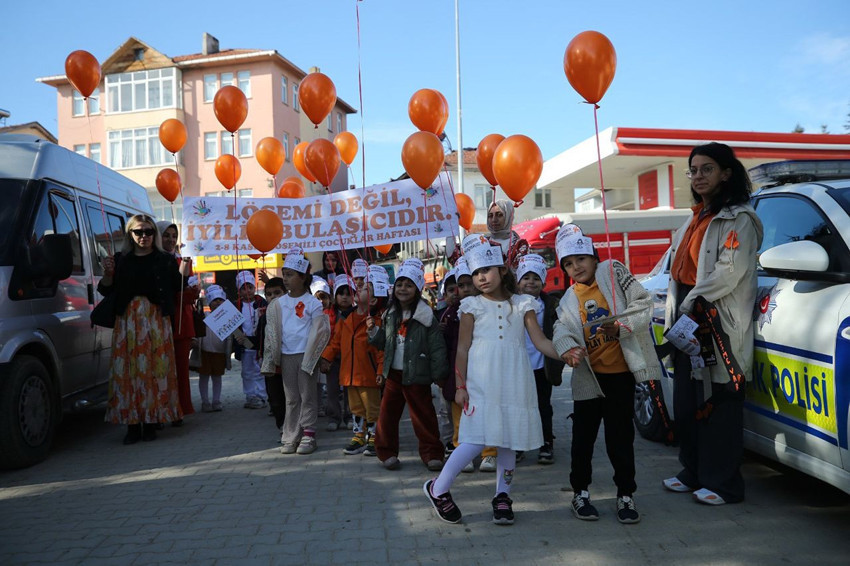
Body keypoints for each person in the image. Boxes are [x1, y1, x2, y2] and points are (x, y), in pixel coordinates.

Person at [424, 236, 562, 525]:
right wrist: (460, 386)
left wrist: (565, 353)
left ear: (502, 271)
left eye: (486, 270)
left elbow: (540, 342)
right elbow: (461, 350)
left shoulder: (523, 304)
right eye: (475, 273)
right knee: (475, 438)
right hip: (480, 381)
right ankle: (438, 488)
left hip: (514, 379)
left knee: (508, 440)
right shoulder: (471, 306)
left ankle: (502, 496)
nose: (481, 277)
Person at [661, 142, 763, 505]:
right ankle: (693, 471)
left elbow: (728, 272)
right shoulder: (696, 215)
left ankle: (724, 484)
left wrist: (691, 302)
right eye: (694, 170)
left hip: (717, 319)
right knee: (688, 400)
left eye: (707, 169)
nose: (699, 176)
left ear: (726, 173)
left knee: (720, 401)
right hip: (688, 316)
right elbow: (677, 268)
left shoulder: (739, 219)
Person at [552, 226, 659, 524]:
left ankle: (626, 494)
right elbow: (561, 329)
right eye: (569, 263)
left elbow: (643, 303)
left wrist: (622, 327)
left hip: (621, 378)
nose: (576, 267)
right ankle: (580, 493)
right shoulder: (567, 299)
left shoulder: (612, 270)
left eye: (581, 259)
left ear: (593, 256)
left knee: (620, 440)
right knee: (582, 441)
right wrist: (568, 349)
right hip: (589, 381)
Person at [99, 214, 189, 444]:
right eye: (138, 232)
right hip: (127, 321)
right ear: (130, 234)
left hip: (156, 320)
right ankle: (131, 424)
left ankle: (151, 422)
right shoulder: (120, 259)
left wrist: (186, 266)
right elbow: (106, 290)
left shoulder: (164, 259)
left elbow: (177, 286)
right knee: (128, 372)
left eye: (149, 232)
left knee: (155, 369)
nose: (144, 236)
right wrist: (108, 274)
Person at [367, 258, 448, 471]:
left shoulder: (425, 315)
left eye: (409, 285)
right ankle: (386, 452)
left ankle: (432, 453)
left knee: (424, 417)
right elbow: (383, 342)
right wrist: (373, 331)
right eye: (400, 284)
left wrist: (439, 373)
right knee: (386, 417)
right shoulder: (390, 314)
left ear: (418, 288)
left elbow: (437, 347)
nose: (403, 289)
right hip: (393, 375)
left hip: (417, 375)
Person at [261, 248, 329, 455]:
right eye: (285, 275)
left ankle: (308, 434)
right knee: (291, 397)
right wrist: (271, 359)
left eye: (290, 275)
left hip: (306, 355)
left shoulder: (313, 303)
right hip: (287, 355)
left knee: (307, 395)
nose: (286, 279)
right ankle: (291, 436)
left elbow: (320, 331)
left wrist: (316, 356)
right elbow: (270, 333)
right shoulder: (278, 304)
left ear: (303, 277)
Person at [320, 276, 388, 456]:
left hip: (368, 375)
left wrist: (380, 371)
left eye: (365, 288)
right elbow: (335, 343)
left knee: (372, 408)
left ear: (373, 300)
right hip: (349, 375)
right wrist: (326, 358)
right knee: (356, 408)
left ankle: (374, 437)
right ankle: (359, 436)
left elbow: (380, 351)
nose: (358, 288)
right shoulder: (347, 319)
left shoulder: (375, 321)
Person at [516, 254, 566, 465]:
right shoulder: (511, 304)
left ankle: (546, 443)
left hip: (542, 366)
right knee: (518, 407)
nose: (531, 282)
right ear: (518, 281)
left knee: (543, 405)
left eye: (535, 278)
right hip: (517, 366)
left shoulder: (551, 305)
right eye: (526, 277)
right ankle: (517, 445)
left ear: (543, 282)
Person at [156, 220, 198, 425]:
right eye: (166, 235)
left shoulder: (182, 260)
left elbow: (186, 291)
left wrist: (192, 292)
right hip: (161, 320)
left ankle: (180, 409)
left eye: (174, 236)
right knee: (161, 369)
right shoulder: (154, 260)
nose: (171, 240)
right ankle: (163, 409)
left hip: (182, 322)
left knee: (181, 369)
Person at [439, 257, 477, 473]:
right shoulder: (448, 315)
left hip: (481, 371)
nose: (461, 291)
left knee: (482, 413)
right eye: (457, 287)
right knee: (459, 416)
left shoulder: (485, 307)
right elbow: (447, 347)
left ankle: (489, 452)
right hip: (458, 374)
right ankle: (460, 450)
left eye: (466, 285)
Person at [324, 275, 356, 431]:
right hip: (332, 359)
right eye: (341, 293)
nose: (344, 297)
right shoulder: (327, 315)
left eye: (348, 293)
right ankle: (334, 417)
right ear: (335, 296)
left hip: (351, 359)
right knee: (332, 390)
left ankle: (350, 416)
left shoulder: (357, 314)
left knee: (350, 390)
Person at [234, 270, 268, 409]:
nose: (247, 291)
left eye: (250, 287)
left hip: (259, 341)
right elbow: (232, 325)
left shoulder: (262, 302)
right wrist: (238, 335)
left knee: (261, 370)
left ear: (255, 287)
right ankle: (250, 395)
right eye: (243, 288)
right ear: (239, 290)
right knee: (247, 371)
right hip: (245, 342)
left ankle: (262, 395)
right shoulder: (236, 305)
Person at [196, 285, 232, 412]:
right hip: (204, 352)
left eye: (220, 300)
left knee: (217, 378)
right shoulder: (203, 316)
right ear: (209, 303)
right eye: (215, 300)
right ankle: (205, 402)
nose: (218, 302)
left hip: (220, 353)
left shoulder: (229, 318)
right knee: (204, 377)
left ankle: (216, 401)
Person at [257, 277, 287, 431]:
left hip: (289, 363)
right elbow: (258, 340)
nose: (273, 297)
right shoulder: (263, 318)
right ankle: (282, 426)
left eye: (278, 293)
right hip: (271, 366)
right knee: (275, 398)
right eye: (269, 294)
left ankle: (294, 427)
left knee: (291, 398)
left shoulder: (292, 314)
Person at [487, 199, 529, 271]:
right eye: (490, 216)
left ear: (509, 216)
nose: (494, 219)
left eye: (499, 215)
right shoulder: (482, 242)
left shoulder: (519, 245)